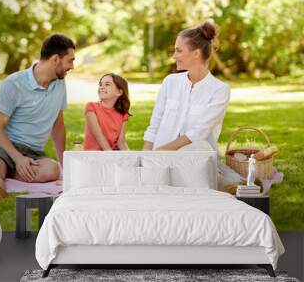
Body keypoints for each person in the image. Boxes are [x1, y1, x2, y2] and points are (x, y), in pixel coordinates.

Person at [0, 34, 75, 202]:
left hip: (33, 153)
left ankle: (2, 173)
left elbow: (58, 125)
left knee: (52, 170)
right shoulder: (14, 83)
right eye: (70, 60)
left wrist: (64, 164)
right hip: (3, 146)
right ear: (56, 59)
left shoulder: (60, 84)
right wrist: (18, 158)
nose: (72, 66)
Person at [143, 21, 239, 189]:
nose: (174, 56)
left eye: (179, 50)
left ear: (196, 53)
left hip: (195, 162)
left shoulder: (219, 90)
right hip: (159, 161)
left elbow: (199, 133)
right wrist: (145, 157)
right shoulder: (170, 82)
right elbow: (155, 123)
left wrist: (161, 152)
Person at [83, 73, 131, 150]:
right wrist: (110, 156)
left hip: (112, 152)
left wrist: (130, 157)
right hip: (94, 154)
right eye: (100, 84)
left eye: (107, 84)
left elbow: (121, 142)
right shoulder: (91, 107)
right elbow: (98, 135)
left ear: (119, 92)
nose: (102, 87)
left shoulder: (123, 114)